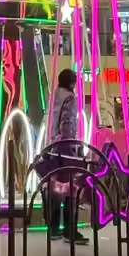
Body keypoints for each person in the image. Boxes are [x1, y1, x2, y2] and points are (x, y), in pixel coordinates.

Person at [43, 68, 88, 245]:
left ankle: (53, 227)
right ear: (71, 82)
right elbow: (67, 123)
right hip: (65, 147)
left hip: (51, 146)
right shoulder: (70, 98)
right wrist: (72, 145)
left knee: (54, 187)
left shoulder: (52, 96)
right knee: (72, 188)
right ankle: (70, 229)